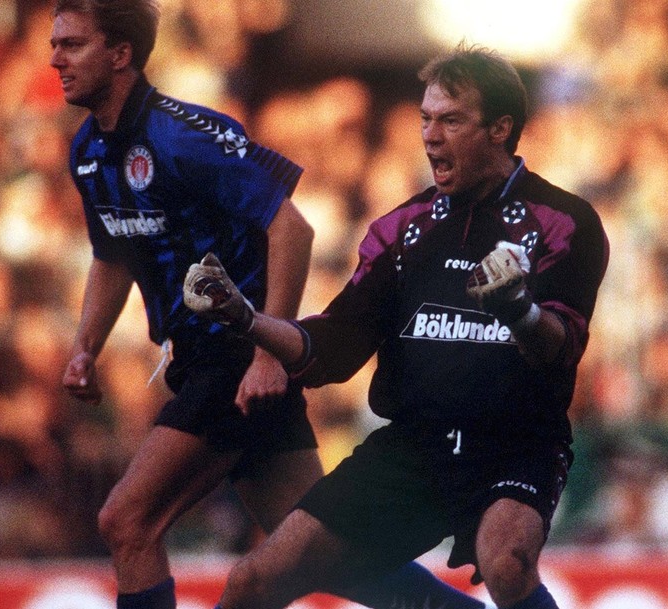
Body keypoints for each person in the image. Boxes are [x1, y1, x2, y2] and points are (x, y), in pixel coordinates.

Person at [51, 2, 488, 609]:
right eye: (56, 44)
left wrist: (266, 352)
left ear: (120, 53)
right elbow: (113, 255)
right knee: (330, 559)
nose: (55, 59)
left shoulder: (183, 135)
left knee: (125, 521)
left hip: (232, 358)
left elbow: (293, 230)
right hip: (205, 363)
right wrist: (85, 347)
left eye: (72, 45)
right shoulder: (87, 151)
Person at [183, 44, 610, 609]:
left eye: (451, 120)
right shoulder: (402, 228)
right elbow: (332, 351)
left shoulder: (566, 221)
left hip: (516, 444)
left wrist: (517, 310)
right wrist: (246, 317)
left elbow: (562, 348)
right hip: (413, 448)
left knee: (506, 563)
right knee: (252, 581)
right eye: (425, 119)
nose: (431, 136)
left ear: (501, 129)